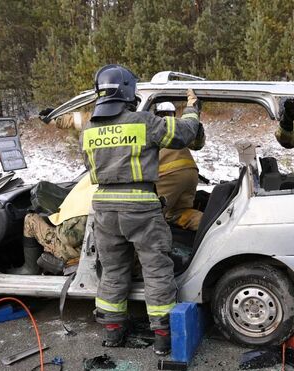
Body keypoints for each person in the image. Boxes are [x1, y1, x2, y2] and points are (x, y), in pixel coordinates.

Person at [82, 64, 202, 355]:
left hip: (104, 209)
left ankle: (112, 332)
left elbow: (90, 168)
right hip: (140, 207)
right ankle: (162, 337)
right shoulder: (144, 122)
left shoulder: (88, 131)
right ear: (128, 92)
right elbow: (184, 134)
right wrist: (193, 110)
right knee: (156, 270)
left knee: (112, 271)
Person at [9, 173, 96, 275]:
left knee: (31, 219)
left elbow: (69, 238)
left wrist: (54, 222)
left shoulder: (91, 186)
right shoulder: (102, 186)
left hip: (81, 252)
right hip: (97, 246)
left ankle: (30, 269)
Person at [155, 102, 206, 231]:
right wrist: (196, 125)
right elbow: (197, 144)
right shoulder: (179, 127)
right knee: (177, 212)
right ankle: (211, 227)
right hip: (190, 173)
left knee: (150, 214)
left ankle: (151, 249)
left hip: (169, 175)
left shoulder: (154, 127)